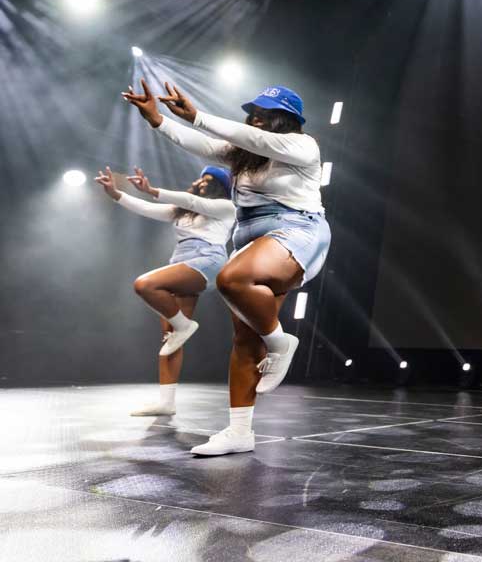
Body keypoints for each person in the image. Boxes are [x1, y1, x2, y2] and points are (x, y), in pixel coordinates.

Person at [123, 78, 330, 456]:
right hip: (251, 239)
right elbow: (199, 144)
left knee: (231, 278)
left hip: (297, 228)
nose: (256, 120)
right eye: (253, 114)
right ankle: (239, 432)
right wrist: (158, 120)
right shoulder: (242, 156)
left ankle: (282, 342)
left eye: (266, 115)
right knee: (245, 339)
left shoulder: (302, 146)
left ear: (287, 120)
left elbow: (255, 141)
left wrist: (198, 115)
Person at [95, 164, 234, 416]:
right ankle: (166, 402)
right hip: (181, 261)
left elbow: (191, 200)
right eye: (201, 178)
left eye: (210, 180)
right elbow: (146, 208)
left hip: (206, 259)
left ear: (222, 187)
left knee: (145, 284)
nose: (202, 182)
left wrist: (152, 189)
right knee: (170, 337)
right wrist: (116, 194)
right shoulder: (183, 211)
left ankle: (185, 326)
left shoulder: (226, 208)